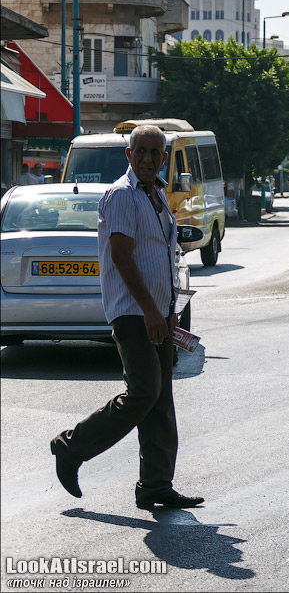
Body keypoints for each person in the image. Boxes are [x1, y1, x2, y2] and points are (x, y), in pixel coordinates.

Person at [50, 125, 204, 510]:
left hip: (158, 315)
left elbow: (160, 260)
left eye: (156, 152)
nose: (149, 159)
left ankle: (155, 484)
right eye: (142, 151)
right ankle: (71, 447)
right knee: (144, 392)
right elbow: (121, 257)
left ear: (165, 157)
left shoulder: (157, 196)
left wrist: (169, 313)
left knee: (160, 401)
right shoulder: (122, 195)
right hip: (133, 314)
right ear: (129, 155)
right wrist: (152, 311)